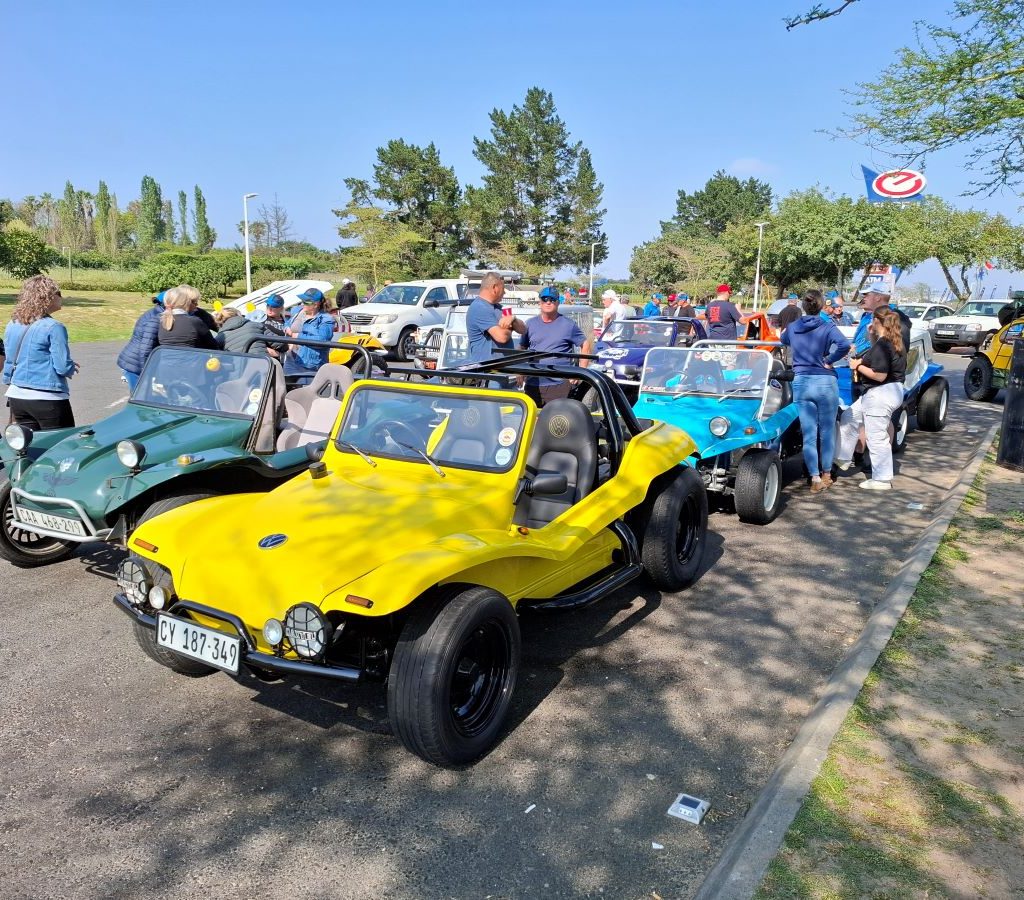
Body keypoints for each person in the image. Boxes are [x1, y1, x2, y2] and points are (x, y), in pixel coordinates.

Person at [780, 290, 851, 494]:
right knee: (827, 431)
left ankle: (814, 477)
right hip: (825, 381)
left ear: (803, 306)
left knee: (809, 434)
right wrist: (829, 360)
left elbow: (784, 340)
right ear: (821, 306)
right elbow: (844, 345)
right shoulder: (827, 327)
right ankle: (827, 473)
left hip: (801, 381)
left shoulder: (793, 327)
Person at [835, 307, 907, 491]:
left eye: (871, 320)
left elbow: (879, 375)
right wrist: (871, 336)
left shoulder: (884, 344)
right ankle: (842, 457)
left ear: (877, 321)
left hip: (880, 393)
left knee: (876, 437)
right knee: (850, 417)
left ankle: (881, 479)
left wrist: (856, 366)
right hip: (886, 392)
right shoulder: (889, 341)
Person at [2, 275, 79, 429]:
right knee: (59, 445)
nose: (61, 297)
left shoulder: (13, 323)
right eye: (59, 293)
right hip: (48, 396)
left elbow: (10, 357)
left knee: (29, 447)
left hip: (18, 395)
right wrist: (71, 367)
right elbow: (62, 367)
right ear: (48, 297)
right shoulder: (54, 327)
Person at [520, 286, 592, 406]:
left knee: (554, 421)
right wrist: (520, 372)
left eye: (552, 299)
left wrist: (580, 371)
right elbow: (522, 348)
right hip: (533, 382)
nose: (548, 302)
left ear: (558, 302)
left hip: (558, 384)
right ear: (540, 302)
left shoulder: (568, 325)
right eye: (545, 299)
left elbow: (585, 344)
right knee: (533, 420)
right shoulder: (530, 323)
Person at [466, 272, 526, 363]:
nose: (505, 292)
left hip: (501, 370)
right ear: (495, 288)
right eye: (503, 288)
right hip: (487, 371)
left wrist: (513, 318)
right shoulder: (479, 308)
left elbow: (523, 330)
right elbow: (502, 337)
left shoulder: (497, 307)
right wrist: (510, 324)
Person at [284, 288, 336, 385]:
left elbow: (322, 340)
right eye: (302, 301)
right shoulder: (298, 311)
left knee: (304, 395)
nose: (302, 304)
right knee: (285, 389)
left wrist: (298, 336)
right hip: (291, 359)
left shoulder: (326, 320)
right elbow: (287, 322)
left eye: (305, 302)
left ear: (315, 305)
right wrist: (287, 328)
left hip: (310, 365)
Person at [116, 290, 166, 390]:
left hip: (136, 360)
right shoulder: (156, 318)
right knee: (140, 397)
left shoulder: (157, 312)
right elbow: (146, 348)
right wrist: (146, 372)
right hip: (135, 364)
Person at [157, 285, 219, 349]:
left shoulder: (161, 321)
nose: (196, 304)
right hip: (191, 358)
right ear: (186, 302)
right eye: (193, 301)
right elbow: (213, 346)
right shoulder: (194, 321)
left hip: (165, 358)